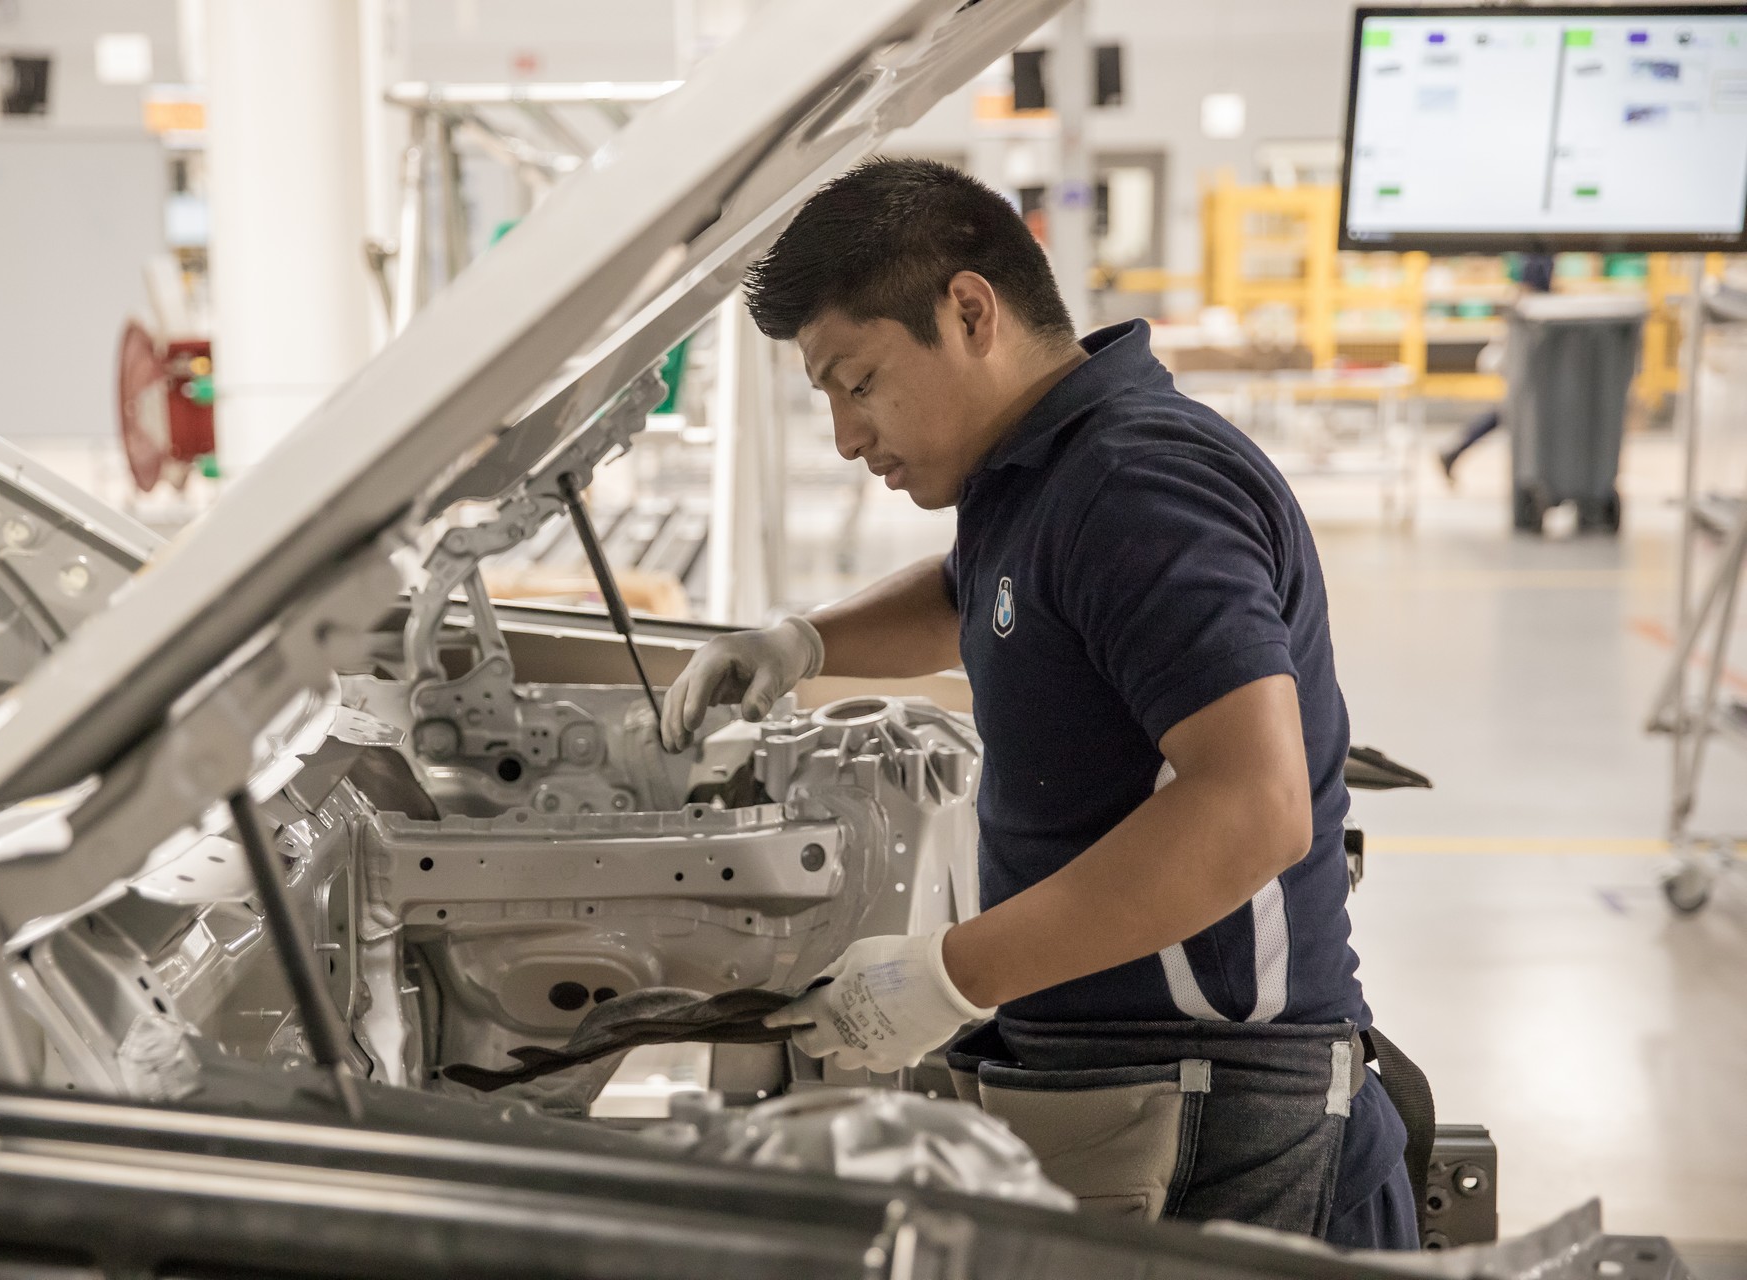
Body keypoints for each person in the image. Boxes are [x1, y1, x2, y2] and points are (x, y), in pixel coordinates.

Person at [659, 158, 1416, 1246]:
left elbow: (1254, 808)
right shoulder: (1044, 471)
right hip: (1133, 1085)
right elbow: (979, 590)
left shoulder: (1139, 485)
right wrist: (805, 641)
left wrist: (949, 974)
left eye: (858, 382)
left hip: (1221, 1117)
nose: (845, 435)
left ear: (971, 312)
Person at [1439, 253, 1555, 482]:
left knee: (1511, 413)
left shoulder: (1527, 295)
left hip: (1530, 359)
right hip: (1529, 358)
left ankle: (1456, 451)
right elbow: (1534, 283)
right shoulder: (1530, 294)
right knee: (1514, 412)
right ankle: (1457, 451)